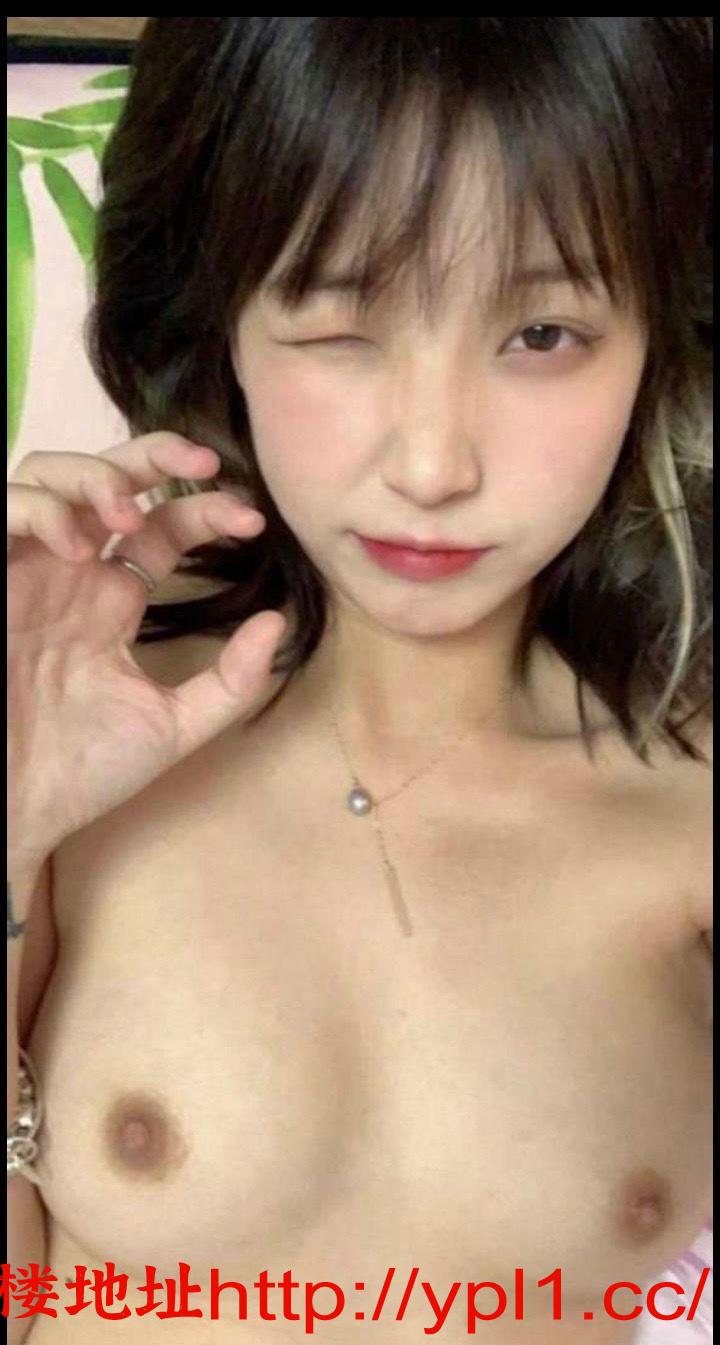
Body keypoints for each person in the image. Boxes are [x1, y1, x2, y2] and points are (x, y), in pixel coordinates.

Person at [7, 18, 712, 1345]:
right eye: (339, 325)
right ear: (223, 321)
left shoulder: (690, 807)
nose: (434, 463)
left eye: (543, 332)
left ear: (656, 345)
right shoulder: (77, 729)